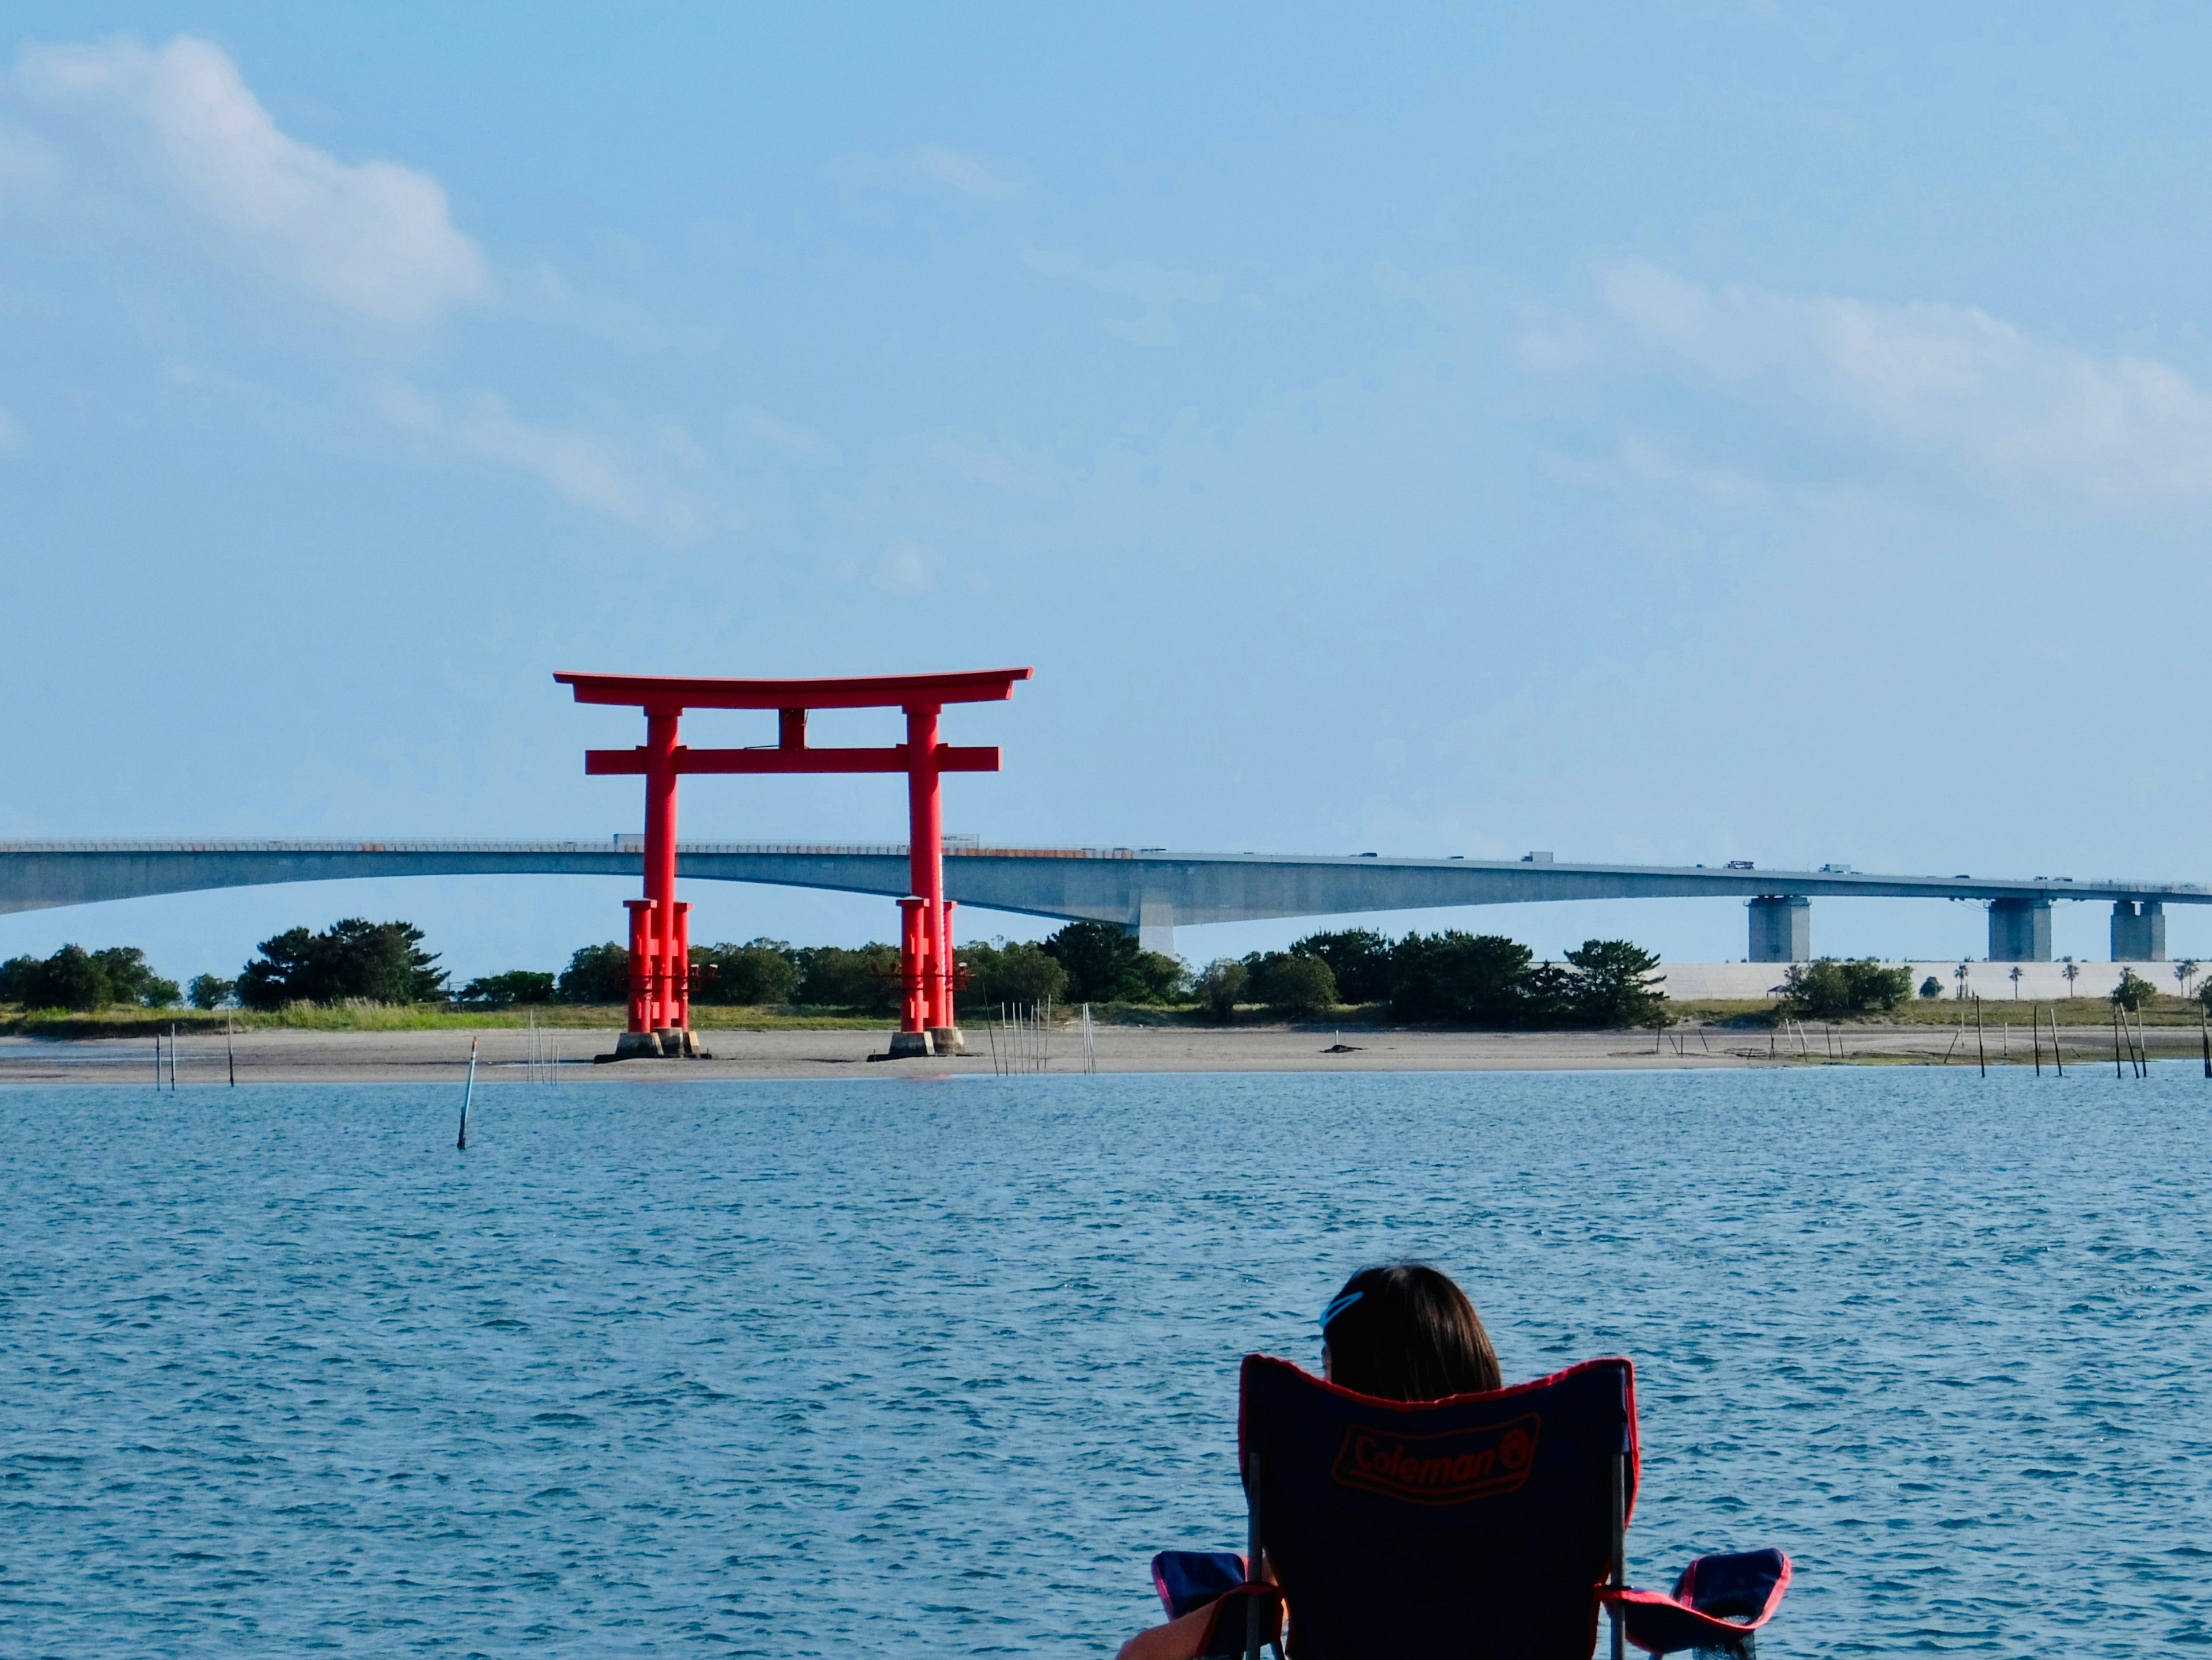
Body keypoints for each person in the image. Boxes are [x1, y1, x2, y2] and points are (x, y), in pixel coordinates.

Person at [1115, 1263, 1502, 1660]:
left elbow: (1140, 1657)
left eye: (1328, 1363)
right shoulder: (1523, 1492)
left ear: (1354, 1385)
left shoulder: (1328, 1502)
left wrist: (1270, 1579)